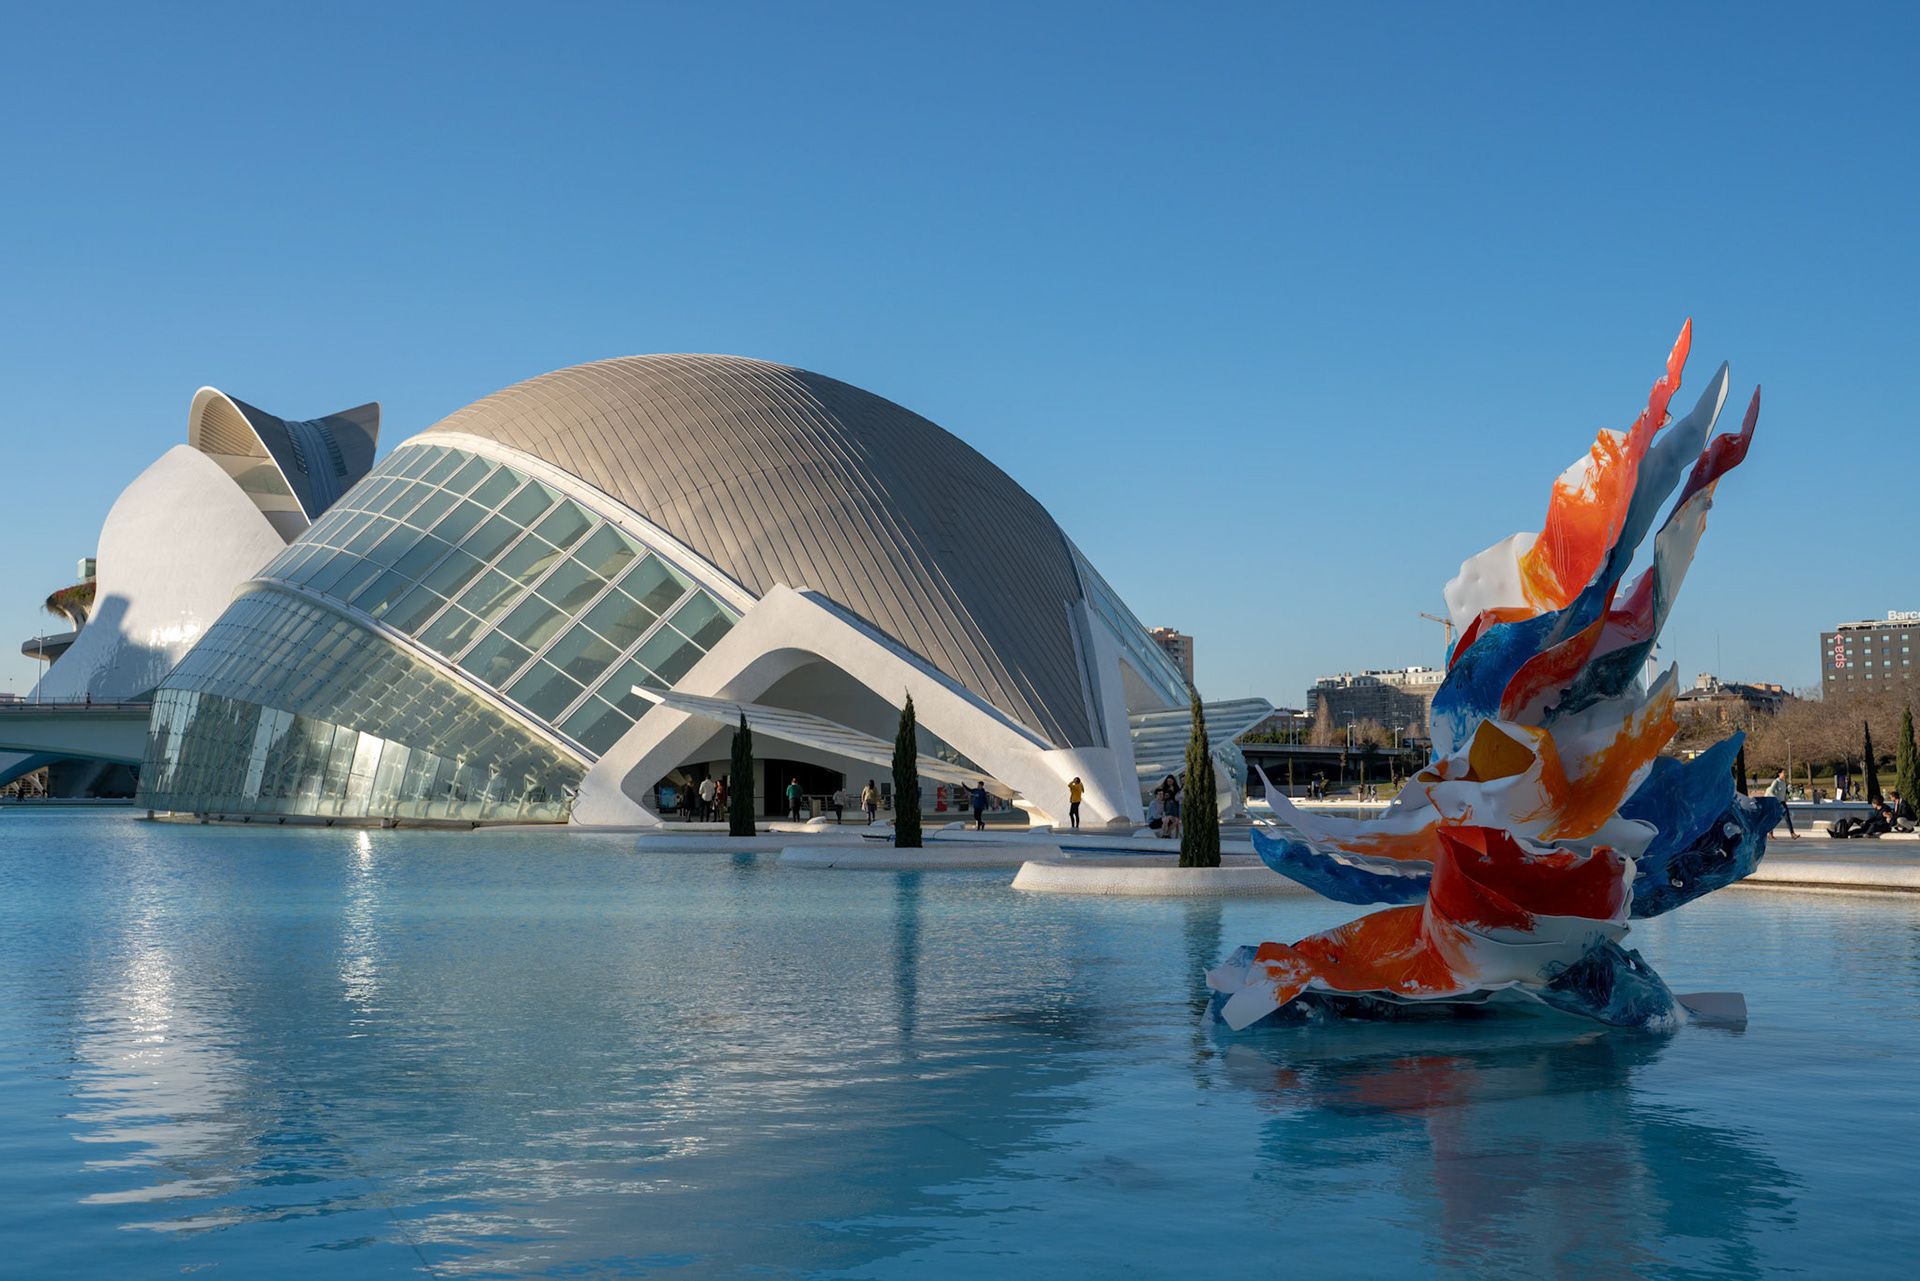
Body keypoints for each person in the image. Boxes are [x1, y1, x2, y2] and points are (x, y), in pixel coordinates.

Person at [1766, 770, 1795, 836]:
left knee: (1787, 817)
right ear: (1779, 774)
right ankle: (1770, 833)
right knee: (1774, 818)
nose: (1785, 774)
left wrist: (1785, 797)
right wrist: (1776, 799)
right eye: (1783, 773)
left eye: (1785, 773)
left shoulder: (1784, 782)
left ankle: (1792, 833)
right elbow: (1770, 791)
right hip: (1777, 803)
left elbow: (1784, 792)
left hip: (1782, 802)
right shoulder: (1776, 781)